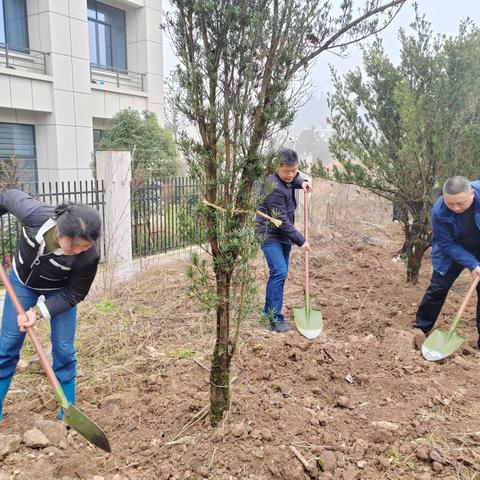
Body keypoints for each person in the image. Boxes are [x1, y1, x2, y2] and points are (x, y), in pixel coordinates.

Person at [0, 189, 101, 420]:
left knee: (64, 349)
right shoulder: (33, 214)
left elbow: (75, 294)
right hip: (21, 282)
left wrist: (37, 312)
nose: (77, 251)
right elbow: (5, 197)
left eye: (84, 247)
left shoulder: (89, 256)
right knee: (7, 345)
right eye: (74, 245)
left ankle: (68, 410)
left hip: (61, 291)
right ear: (60, 229)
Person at [414, 176, 480, 348]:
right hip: (452, 251)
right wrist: (473, 264)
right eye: (451, 204)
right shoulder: (439, 212)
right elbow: (447, 244)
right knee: (438, 287)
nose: (456, 208)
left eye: (460, 203)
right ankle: (421, 328)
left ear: (471, 194)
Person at [256, 148, 312, 332]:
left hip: (284, 237)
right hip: (270, 234)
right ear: (276, 168)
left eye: (294, 170)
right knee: (279, 272)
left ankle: (267, 313)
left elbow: (293, 179)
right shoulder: (273, 187)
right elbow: (282, 222)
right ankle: (275, 318)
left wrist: (302, 181)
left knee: (279, 274)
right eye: (286, 171)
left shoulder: (289, 178)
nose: (290, 174)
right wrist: (301, 240)